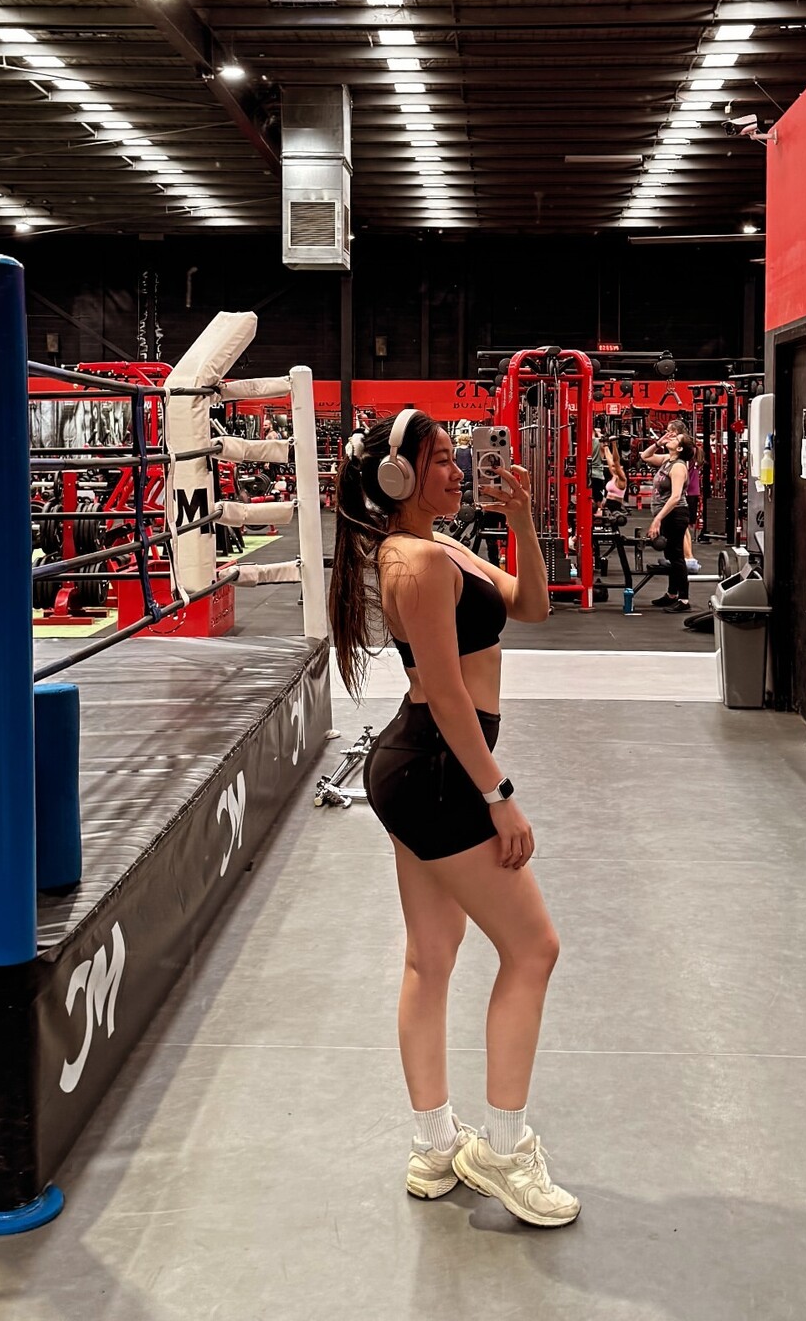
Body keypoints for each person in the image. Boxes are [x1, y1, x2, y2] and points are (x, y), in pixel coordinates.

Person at [329, 410, 581, 1227]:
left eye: (453, 457)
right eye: (439, 460)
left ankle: (435, 1146)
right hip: (438, 770)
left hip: (424, 768)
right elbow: (443, 694)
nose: (457, 470)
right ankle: (503, 1153)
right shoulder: (417, 564)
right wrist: (498, 797)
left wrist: (524, 524)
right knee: (533, 949)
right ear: (398, 476)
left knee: (430, 956)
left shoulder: (441, 548)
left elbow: (532, 607)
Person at [647, 430, 694, 611]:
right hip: (667, 515)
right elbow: (645, 456)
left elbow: (675, 497)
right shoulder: (668, 460)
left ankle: (684, 600)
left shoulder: (678, 467)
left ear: (679, 448)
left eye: (676, 439)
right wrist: (658, 443)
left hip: (676, 515)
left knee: (677, 557)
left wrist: (657, 520)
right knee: (670, 556)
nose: (671, 438)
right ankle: (672, 594)